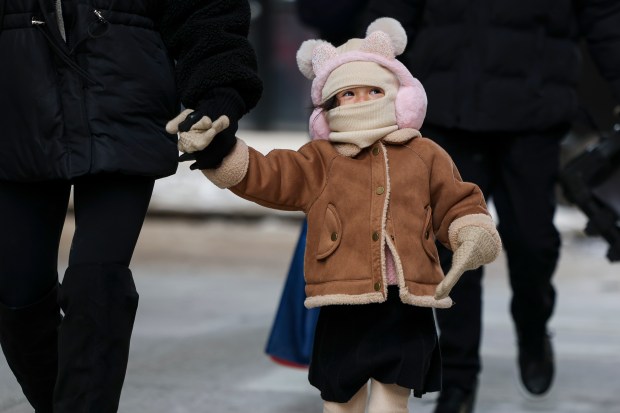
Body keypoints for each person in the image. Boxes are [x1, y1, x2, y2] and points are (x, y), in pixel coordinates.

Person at [172, 18, 502, 412]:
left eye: (373, 90)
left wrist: (471, 232)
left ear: (398, 95)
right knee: (341, 399)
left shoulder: (425, 153)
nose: (362, 100)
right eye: (348, 94)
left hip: (407, 301)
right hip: (342, 299)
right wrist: (219, 152)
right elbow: (271, 175)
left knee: (391, 399)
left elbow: (457, 201)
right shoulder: (321, 160)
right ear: (329, 105)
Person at [358, 1, 620, 412]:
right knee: (453, 251)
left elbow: (605, 17)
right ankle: (460, 380)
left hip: (534, 111)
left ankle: (533, 328)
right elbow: (393, 10)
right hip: (450, 106)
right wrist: (364, 81)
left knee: (533, 243)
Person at [0, 1, 262, 412]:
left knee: (97, 285)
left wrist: (218, 90)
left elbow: (207, 10)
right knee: (17, 293)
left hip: (125, 108)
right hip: (18, 114)